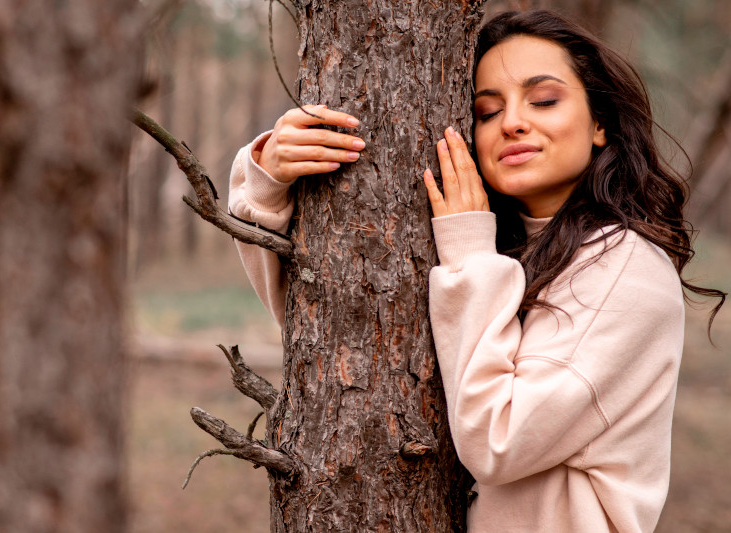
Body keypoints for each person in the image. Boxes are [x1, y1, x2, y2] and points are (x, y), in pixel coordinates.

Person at [227, 9, 725, 533]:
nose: (512, 122)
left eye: (545, 100)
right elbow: (329, 330)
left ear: (600, 122)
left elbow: (499, 439)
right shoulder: (500, 247)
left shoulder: (625, 266)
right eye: (487, 112)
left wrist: (468, 254)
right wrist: (269, 177)